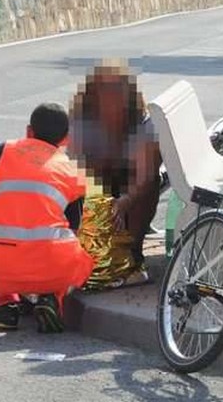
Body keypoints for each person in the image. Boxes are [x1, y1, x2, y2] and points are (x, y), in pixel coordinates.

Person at [0, 103, 94, 333]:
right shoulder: (73, 170)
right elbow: (75, 227)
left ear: (29, 131)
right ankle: (51, 297)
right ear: (66, 139)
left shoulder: (4, 150)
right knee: (80, 253)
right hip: (48, 267)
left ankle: (5, 304)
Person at [69, 61, 162, 289]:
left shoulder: (144, 125)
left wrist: (125, 201)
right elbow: (72, 165)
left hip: (131, 189)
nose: (111, 100)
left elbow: (147, 174)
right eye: (104, 93)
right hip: (96, 188)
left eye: (116, 93)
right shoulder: (83, 121)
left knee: (149, 187)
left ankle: (133, 255)